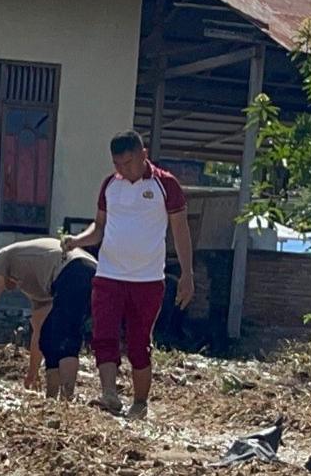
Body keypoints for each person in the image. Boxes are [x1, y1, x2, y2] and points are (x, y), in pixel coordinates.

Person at [63, 130, 194, 419]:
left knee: (138, 340)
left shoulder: (165, 184)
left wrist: (187, 274)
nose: (123, 170)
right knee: (103, 334)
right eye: (117, 164)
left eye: (129, 163)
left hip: (147, 280)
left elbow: (180, 231)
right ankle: (109, 394)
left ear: (143, 155)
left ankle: (140, 402)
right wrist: (77, 240)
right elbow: (98, 228)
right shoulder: (110, 185)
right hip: (109, 274)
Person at [0, 238, 96, 400]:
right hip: (94, 271)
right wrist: (32, 374)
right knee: (49, 338)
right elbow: (39, 330)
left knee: (66, 338)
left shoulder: (4, 256)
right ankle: (52, 398)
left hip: (73, 269)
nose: (8, 290)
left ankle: (66, 398)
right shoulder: (36, 280)